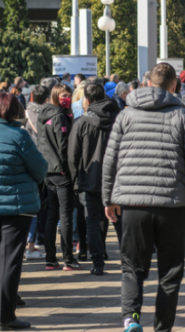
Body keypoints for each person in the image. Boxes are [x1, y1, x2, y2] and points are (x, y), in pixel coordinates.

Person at [102, 63, 185, 332]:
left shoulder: (126, 114)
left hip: (132, 204)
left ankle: (131, 318)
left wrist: (108, 198)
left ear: (148, 83)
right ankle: (162, 328)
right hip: (172, 206)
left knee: (132, 267)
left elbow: (110, 159)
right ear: (175, 86)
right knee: (170, 272)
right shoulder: (183, 114)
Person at [0, 93, 47, 329]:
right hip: (16, 205)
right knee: (10, 261)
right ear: (14, 111)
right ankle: (7, 315)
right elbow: (40, 169)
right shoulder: (19, 135)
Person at [68, 83, 120, 277]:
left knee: (92, 221)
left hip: (89, 178)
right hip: (116, 179)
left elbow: (73, 155)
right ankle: (130, 260)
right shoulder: (119, 119)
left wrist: (74, 179)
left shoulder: (81, 122)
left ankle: (98, 262)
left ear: (87, 100)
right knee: (119, 220)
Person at [36, 82, 78, 270]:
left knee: (52, 215)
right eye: (63, 96)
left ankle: (50, 259)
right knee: (65, 216)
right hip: (61, 171)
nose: (67, 99)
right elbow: (64, 146)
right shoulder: (59, 116)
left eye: (69, 95)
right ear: (55, 97)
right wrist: (68, 169)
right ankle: (68, 259)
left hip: (48, 170)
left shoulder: (44, 115)